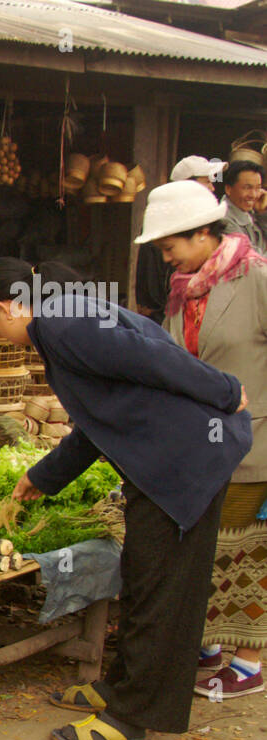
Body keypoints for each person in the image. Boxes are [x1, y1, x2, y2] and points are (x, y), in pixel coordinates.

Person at [0, 258, 250, 740]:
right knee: (142, 576)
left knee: (164, 587)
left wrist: (225, 391)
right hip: (162, 459)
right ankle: (120, 688)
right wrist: (41, 477)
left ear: (9, 307)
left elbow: (155, 358)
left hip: (182, 460)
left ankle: (133, 716)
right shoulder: (62, 322)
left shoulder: (61, 324)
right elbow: (98, 422)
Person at [139, 180, 267, 698]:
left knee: (249, 553)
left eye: (170, 247)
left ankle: (250, 659)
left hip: (255, 443)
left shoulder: (256, 279)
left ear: (202, 233)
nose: (166, 259)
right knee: (208, 547)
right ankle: (210, 642)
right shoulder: (184, 290)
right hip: (200, 447)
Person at [133, 155, 224, 320]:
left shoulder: (245, 270)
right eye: (207, 182)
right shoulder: (161, 228)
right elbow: (151, 295)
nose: (212, 188)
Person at [220, 160, 266, 255]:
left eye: (258, 188)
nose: (253, 195)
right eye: (247, 187)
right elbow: (253, 260)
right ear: (228, 189)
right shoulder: (224, 220)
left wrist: (261, 214)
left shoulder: (251, 212)